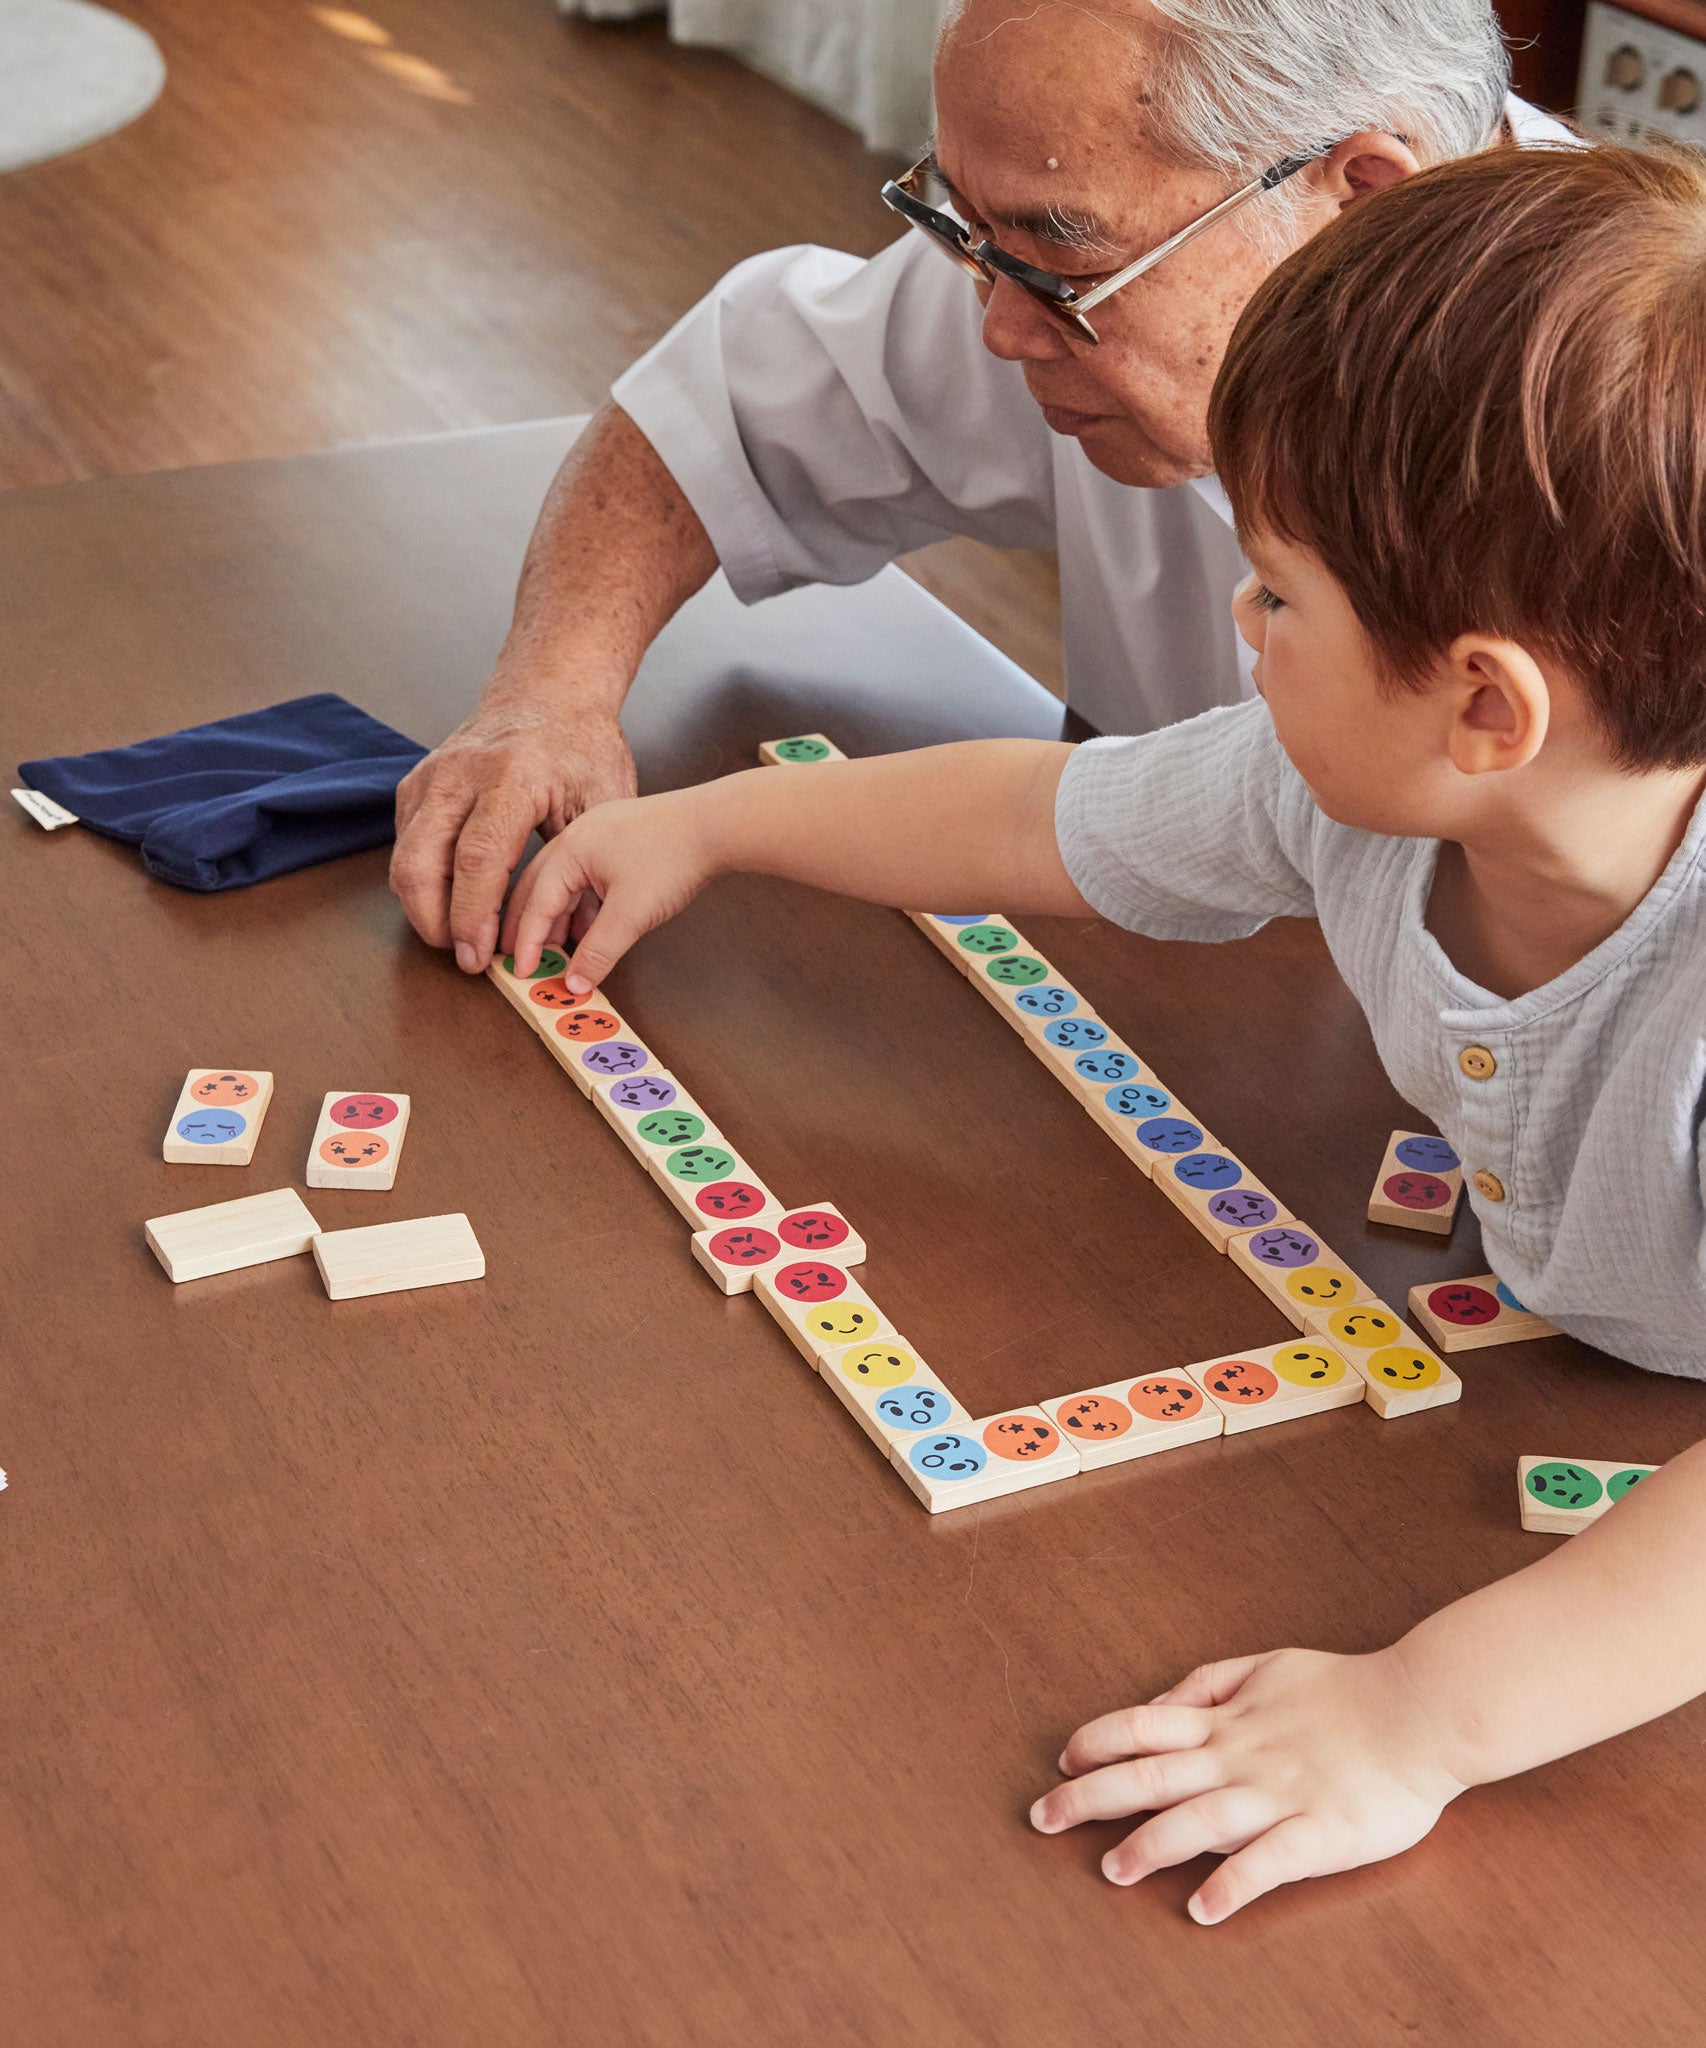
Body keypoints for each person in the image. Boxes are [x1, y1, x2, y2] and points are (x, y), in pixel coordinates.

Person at [494, 141, 1706, 1919]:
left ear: (1480, 703)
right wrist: (708, 823)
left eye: (1279, 593)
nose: (1238, 616)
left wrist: (1414, 1722)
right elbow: (1038, 822)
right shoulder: (1358, 793)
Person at [390, 0, 1574, 975]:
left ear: (1357, 200)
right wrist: (546, 698)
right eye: (967, 232)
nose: (1001, 329)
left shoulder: (1639, 455)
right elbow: (719, 411)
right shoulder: (1072, 258)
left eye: (1062, 257)